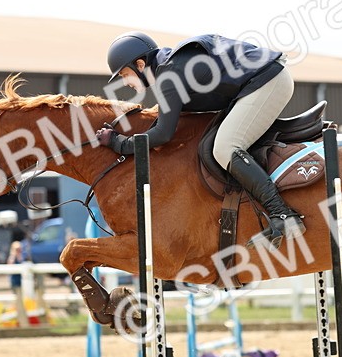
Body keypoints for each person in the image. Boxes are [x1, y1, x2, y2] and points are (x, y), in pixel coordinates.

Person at [100, 31, 304, 249]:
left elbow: (163, 133)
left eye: (124, 74)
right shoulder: (171, 68)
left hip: (268, 81)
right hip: (260, 81)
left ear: (140, 64)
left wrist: (119, 143)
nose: (124, 82)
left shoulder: (169, 75)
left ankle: (282, 214)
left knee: (225, 148)